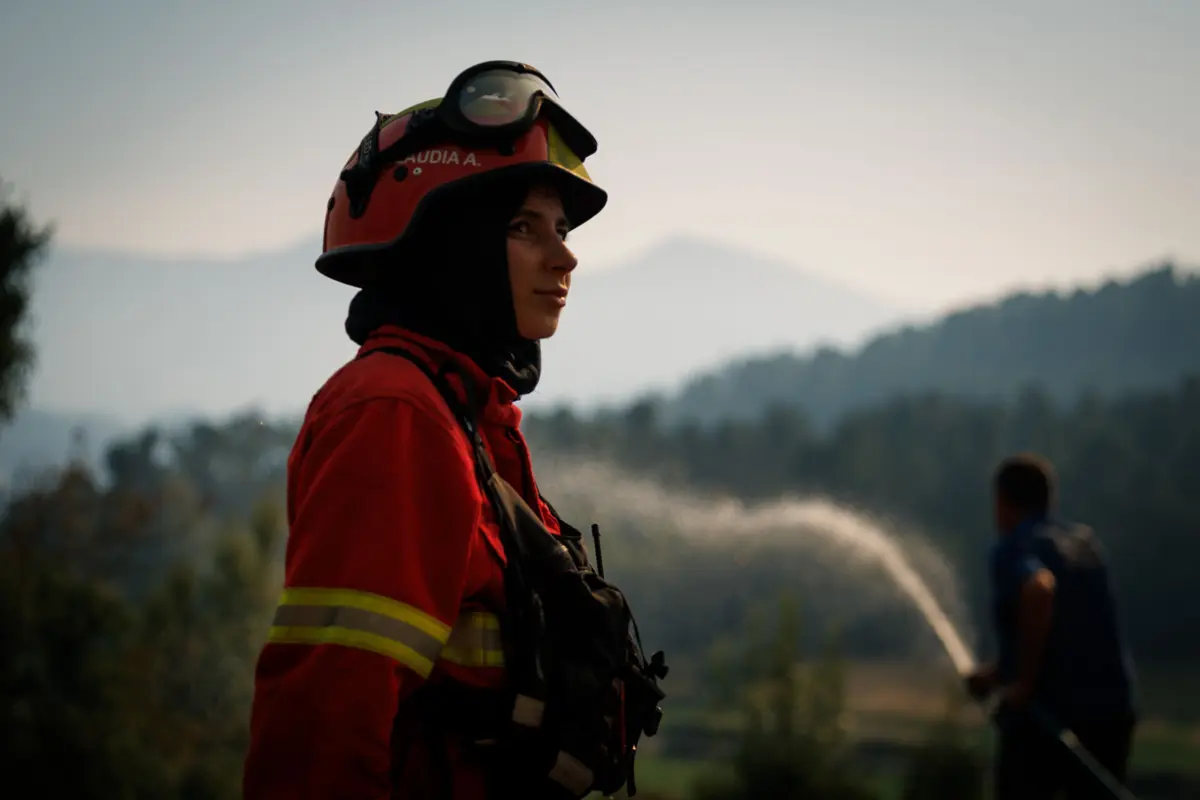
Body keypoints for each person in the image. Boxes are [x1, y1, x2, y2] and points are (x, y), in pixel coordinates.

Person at [242, 61, 666, 800]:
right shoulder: (393, 415)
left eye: (561, 229)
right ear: (451, 244)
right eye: (523, 227)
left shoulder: (469, 415)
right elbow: (324, 731)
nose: (564, 255)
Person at [966, 453, 1138, 799]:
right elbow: (1071, 636)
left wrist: (1024, 684)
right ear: (1050, 500)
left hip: (1050, 718)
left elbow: (1040, 590)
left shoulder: (1014, 546)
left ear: (1001, 501)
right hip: (1113, 714)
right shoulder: (1083, 545)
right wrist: (1000, 674)